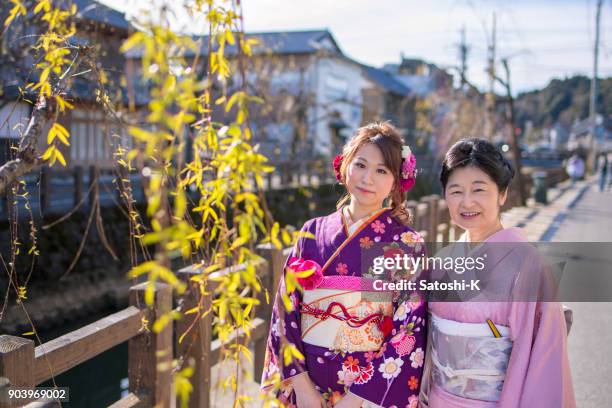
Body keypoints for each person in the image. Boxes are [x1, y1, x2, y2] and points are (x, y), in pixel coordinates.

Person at [261, 122, 427, 408]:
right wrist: (301, 387)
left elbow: (408, 330)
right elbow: (284, 312)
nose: (367, 178)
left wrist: (357, 399)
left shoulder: (404, 244)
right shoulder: (311, 232)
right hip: (307, 388)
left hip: (368, 396)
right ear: (345, 164)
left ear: (397, 181)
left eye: (381, 170)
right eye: (360, 164)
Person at [420, 138, 576, 408]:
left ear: (502, 194)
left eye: (479, 189)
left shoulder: (530, 266)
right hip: (437, 399)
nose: (467, 202)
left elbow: (544, 363)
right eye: (455, 191)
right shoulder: (441, 262)